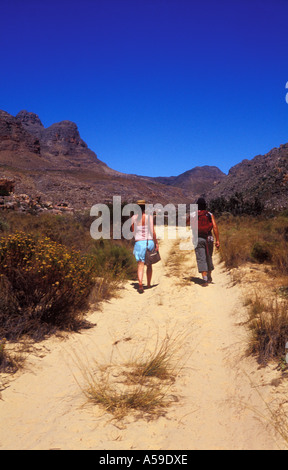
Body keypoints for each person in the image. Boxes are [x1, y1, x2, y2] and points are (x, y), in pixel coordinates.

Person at [190, 197, 220, 287]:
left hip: (198, 239)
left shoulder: (193, 215)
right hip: (209, 238)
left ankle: (205, 280)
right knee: (208, 256)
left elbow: (188, 223)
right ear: (205, 206)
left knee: (201, 258)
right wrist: (217, 240)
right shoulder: (210, 214)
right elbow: (215, 227)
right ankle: (209, 276)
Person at [131, 200, 159, 294]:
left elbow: (133, 231)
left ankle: (140, 283)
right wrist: (156, 243)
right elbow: (153, 232)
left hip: (139, 243)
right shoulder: (149, 217)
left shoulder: (133, 218)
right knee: (149, 264)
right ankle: (148, 284)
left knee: (140, 264)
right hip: (149, 242)